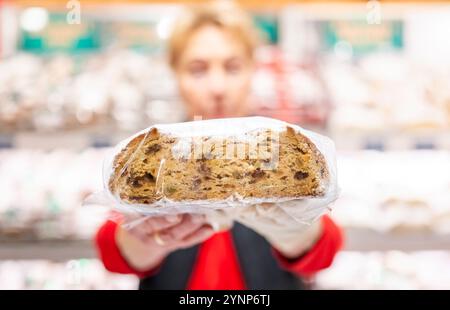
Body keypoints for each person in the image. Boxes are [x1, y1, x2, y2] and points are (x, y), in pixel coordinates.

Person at [95, 1, 343, 290]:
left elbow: (325, 252)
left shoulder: (285, 155)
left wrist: (295, 233)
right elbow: (112, 253)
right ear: (175, 74)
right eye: (198, 70)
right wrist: (146, 240)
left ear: (253, 70)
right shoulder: (149, 161)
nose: (217, 87)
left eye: (233, 67)